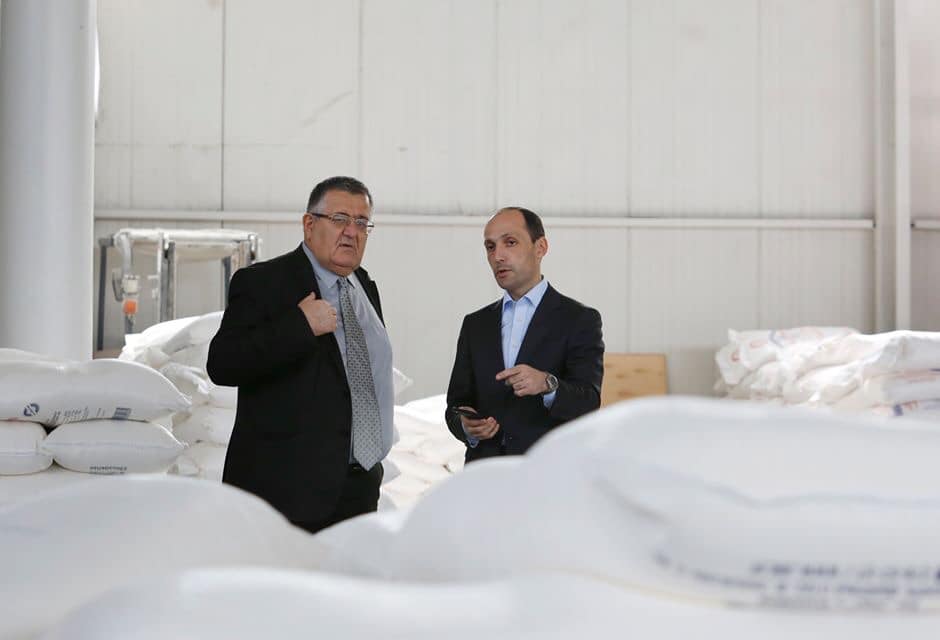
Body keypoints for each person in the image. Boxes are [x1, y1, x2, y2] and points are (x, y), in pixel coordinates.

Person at [207, 176, 393, 533]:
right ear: (309, 225)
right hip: (286, 497)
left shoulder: (364, 285)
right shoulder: (264, 282)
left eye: (361, 223)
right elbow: (223, 363)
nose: (351, 232)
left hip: (358, 490)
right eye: (339, 219)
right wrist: (300, 325)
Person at [445, 207, 604, 462]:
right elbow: (456, 403)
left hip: (549, 472)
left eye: (510, 242)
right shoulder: (475, 325)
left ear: (540, 247)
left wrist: (547, 384)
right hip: (485, 472)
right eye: (490, 247)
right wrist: (465, 426)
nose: (498, 256)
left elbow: (589, 402)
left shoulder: (579, 320)